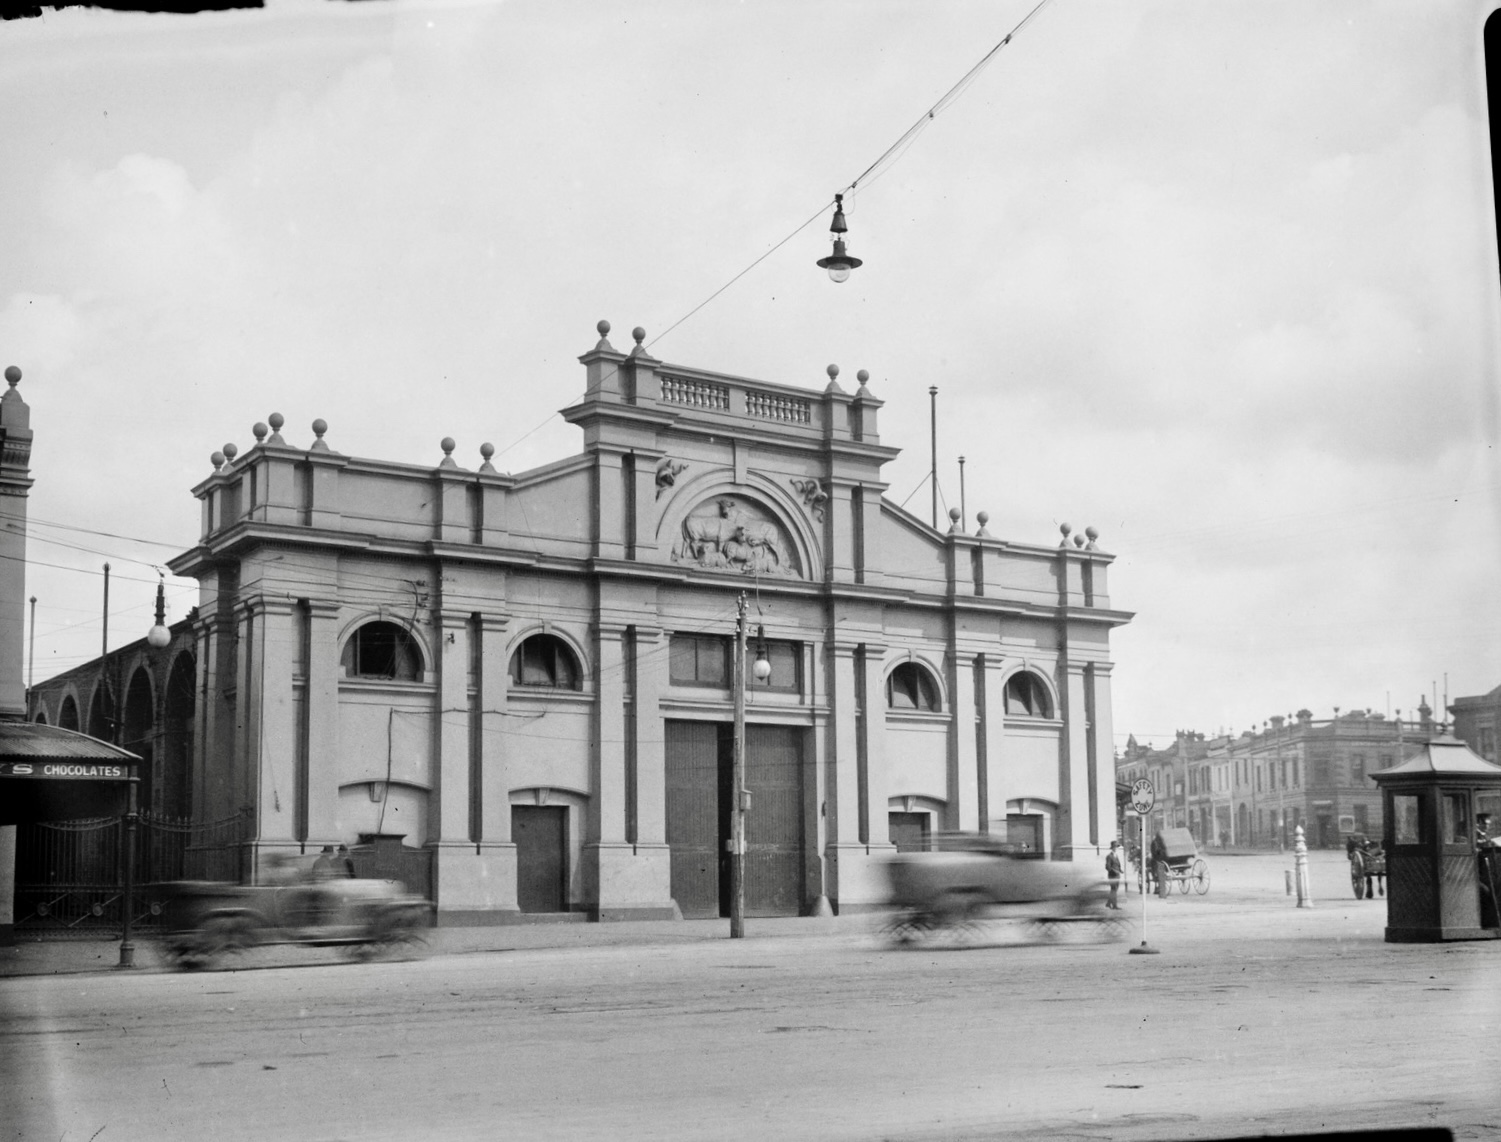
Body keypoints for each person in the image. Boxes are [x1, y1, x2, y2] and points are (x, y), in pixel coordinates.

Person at [1105, 840, 1124, 909]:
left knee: (1114, 890)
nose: (1116, 848)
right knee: (1114, 890)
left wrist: (1120, 870)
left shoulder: (1116, 855)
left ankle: (1108, 903)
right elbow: (1108, 867)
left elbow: (1118, 865)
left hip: (1117, 875)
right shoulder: (1109, 856)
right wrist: (1114, 871)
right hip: (1112, 876)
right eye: (1114, 847)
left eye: (1116, 847)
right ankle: (1114, 905)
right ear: (1112, 848)